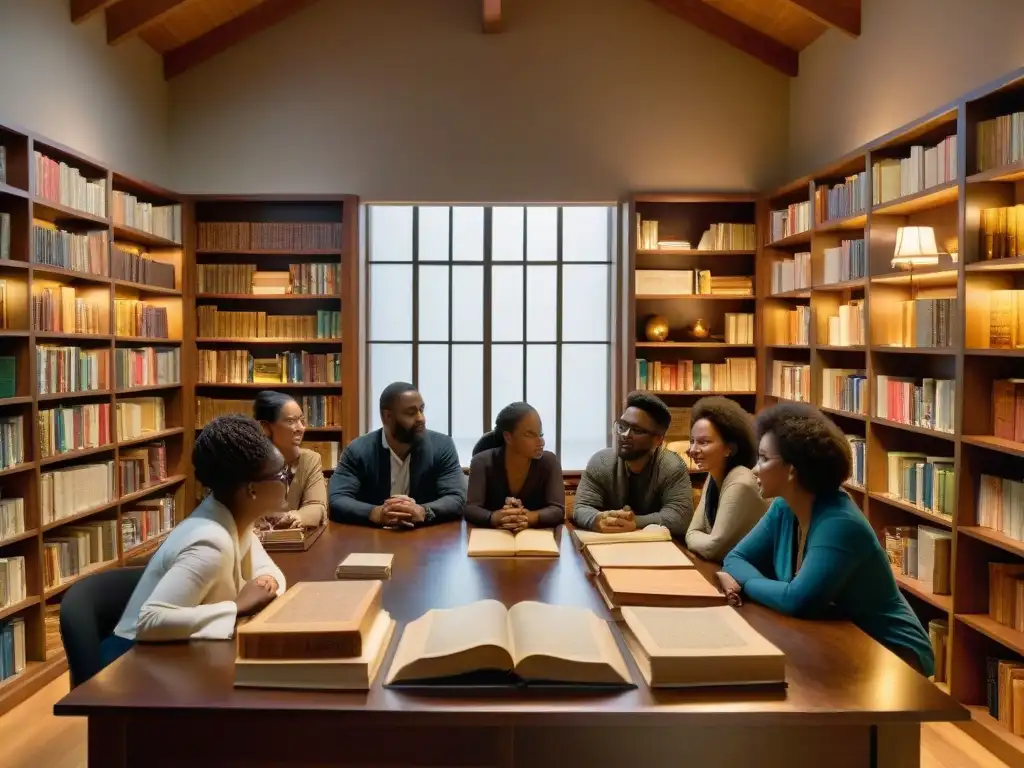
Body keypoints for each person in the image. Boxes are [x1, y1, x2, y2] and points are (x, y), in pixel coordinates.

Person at [720, 402, 935, 676]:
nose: (754, 469)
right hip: (835, 637)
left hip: (891, 653)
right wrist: (747, 578)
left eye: (763, 458)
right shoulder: (784, 507)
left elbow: (797, 600)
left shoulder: (840, 524)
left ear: (792, 470)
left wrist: (743, 583)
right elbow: (736, 557)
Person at [104, 415, 288, 665]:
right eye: (280, 475)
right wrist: (237, 607)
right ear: (251, 490)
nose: (287, 481)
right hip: (130, 663)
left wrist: (267, 581)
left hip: (172, 653)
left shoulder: (235, 518)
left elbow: (268, 571)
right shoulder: (209, 542)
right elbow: (148, 621)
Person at [328, 382, 466, 527]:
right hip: (372, 537)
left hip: (426, 538)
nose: (421, 418)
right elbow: (337, 499)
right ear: (387, 416)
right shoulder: (358, 450)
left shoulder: (442, 446)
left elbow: (456, 498)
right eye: (411, 413)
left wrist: (423, 511)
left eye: (421, 410)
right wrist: (375, 513)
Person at [571, 391, 692, 538]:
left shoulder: (671, 466)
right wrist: (597, 519)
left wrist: (634, 522)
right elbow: (581, 507)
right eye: (622, 426)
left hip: (657, 550)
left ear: (658, 440)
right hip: (607, 545)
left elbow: (680, 517)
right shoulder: (601, 461)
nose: (625, 435)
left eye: (637, 430)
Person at [684, 396, 767, 561]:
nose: (692, 450)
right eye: (692, 441)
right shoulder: (713, 474)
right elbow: (692, 532)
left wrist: (696, 538)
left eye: (704, 442)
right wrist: (696, 538)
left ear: (729, 449)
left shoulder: (741, 481)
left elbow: (712, 548)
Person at [464, 402, 564, 530]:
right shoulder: (481, 462)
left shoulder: (549, 462)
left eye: (541, 434)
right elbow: (471, 508)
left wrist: (530, 517)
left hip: (535, 539)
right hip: (492, 538)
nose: (541, 442)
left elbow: (558, 510)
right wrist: (494, 517)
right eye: (530, 434)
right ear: (508, 437)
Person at [252, 390, 327, 529]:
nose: (300, 428)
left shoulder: (309, 459)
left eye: (302, 421)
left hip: (297, 543)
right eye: (291, 421)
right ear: (265, 427)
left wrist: (297, 517)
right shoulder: (249, 461)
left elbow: (317, 506)